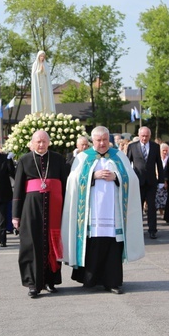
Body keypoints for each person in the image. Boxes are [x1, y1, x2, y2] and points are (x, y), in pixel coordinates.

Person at [62, 126, 144, 294]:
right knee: (93, 244)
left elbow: (132, 178)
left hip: (114, 213)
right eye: (98, 140)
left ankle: (112, 282)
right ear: (93, 141)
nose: (102, 143)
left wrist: (117, 177)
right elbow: (72, 180)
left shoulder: (119, 156)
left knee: (112, 246)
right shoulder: (83, 157)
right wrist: (92, 175)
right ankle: (90, 279)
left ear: (109, 139)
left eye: (105, 140)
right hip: (90, 214)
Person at [12, 130, 70, 298]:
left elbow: (66, 186)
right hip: (31, 209)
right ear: (32, 143)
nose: (41, 144)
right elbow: (17, 190)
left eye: (44, 141)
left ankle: (50, 281)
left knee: (52, 243)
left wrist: (68, 209)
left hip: (54, 208)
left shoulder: (58, 159)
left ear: (49, 142)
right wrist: (16, 216)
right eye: (38, 141)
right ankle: (32, 284)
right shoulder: (24, 160)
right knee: (31, 245)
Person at [126, 126, 165, 239]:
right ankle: (137, 229)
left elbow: (159, 164)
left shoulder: (155, 146)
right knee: (137, 207)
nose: (144, 138)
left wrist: (161, 180)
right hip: (138, 182)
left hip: (151, 182)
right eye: (142, 136)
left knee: (152, 207)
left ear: (150, 136)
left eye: (146, 136)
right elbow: (128, 163)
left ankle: (152, 230)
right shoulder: (132, 146)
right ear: (139, 135)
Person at [30, 50, 56, 114]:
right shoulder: (35, 64)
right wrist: (39, 71)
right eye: (41, 56)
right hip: (38, 84)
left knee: (45, 98)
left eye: (43, 56)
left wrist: (43, 70)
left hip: (44, 83)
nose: (42, 57)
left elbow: (47, 75)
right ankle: (39, 113)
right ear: (38, 56)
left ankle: (46, 112)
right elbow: (33, 75)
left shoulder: (45, 64)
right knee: (39, 98)